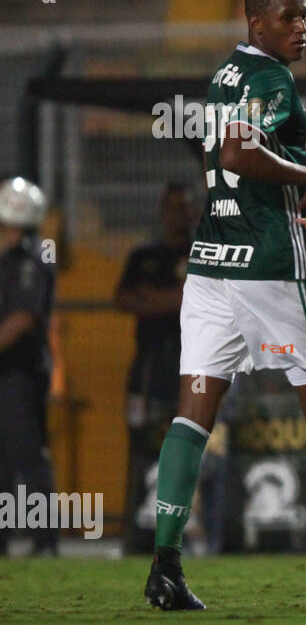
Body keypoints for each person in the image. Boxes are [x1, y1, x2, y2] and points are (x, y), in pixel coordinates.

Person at [144, 0, 306, 611]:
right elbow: (240, 155)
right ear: (256, 22)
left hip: (212, 261)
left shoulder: (224, 77)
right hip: (272, 260)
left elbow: (241, 146)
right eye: (290, 17)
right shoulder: (270, 78)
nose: (303, 27)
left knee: (193, 413)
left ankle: (164, 567)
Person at [115, 182, 196, 554]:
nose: (175, 214)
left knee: (192, 443)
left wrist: (155, 299)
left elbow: (190, 300)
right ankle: (136, 537)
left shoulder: (202, 251)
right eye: (170, 207)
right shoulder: (142, 255)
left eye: (182, 207)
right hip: (147, 367)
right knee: (140, 445)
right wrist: (174, 299)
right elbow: (122, 298)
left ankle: (193, 536)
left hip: (189, 362)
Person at [0, 177, 56, 556]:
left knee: (26, 453)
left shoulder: (29, 258)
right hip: (9, 369)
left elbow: (22, 318)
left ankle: (44, 539)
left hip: (17, 372)